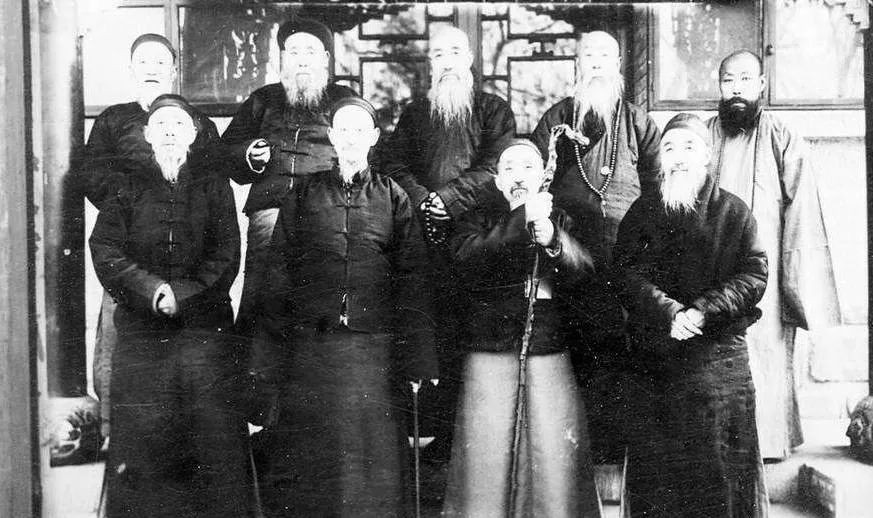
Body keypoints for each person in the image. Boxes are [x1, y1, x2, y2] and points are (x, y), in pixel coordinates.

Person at [252, 97, 438, 517]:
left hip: (375, 351)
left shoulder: (393, 196)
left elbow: (412, 281)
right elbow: (280, 272)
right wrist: (268, 356)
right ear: (332, 138)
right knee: (313, 457)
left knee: (372, 460)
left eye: (359, 130)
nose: (351, 138)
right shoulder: (304, 193)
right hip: (313, 349)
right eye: (343, 130)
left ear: (373, 138)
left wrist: (418, 360)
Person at [89, 94, 249, 517]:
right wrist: (152, 290)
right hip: (142, 332)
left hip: (204, 330)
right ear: (147, 135)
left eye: (179, 125)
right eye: (161, 125)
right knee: (144, 439)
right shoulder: (125, 186)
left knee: (212, 438)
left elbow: (226, 254)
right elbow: (106, 249)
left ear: (194, 134)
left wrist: (185, 295)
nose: (170, 133)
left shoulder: (214, 186)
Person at [614, 113, 769, 517]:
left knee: (719, 475)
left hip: (719, 359)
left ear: (706, 156)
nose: (679, 157)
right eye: (669, 148)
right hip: (657, 359)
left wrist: (702, 312)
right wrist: (669, 312)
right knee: (658, 479)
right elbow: (626, 273)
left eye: (689, 147)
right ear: (660, 160)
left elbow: (754, 275)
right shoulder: (642, 212)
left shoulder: (734, 212)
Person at [442, 139, 601, 517]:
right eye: (509, 169)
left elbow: (588, 273)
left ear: (543, 176)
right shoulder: (476, 217)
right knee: (487, 447)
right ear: (498, 181)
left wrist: (555, 241)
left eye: (528, 167)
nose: (518, 176)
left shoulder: (561, 217)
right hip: (490, 348)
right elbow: (466, 261)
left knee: (550, 447)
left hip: (548, 347)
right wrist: (520, 220)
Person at [382, 25, 516, 461]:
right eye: (438, 54)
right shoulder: (415, 113)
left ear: (470, 59)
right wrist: (425, 201)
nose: (447, 61)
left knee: (471, 336)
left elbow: (497, 166)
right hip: (423, 237)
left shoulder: (494, 110)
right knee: (429, 334)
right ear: (431, 64)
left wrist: (449, 200)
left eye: (455, 52)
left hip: (478, 236)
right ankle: (434, 441)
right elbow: (393, 163)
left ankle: (470, 443)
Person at [79, 33, 220, 438]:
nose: (152, 69)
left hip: (187, 251)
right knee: (118, 336)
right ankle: (116, 433)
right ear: (131, 70)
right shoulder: (113, 120)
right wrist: (131, 204)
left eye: (161, 62)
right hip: (130, 244)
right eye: (143, 62)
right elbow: (91, 173)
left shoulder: (198, 124)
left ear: (174, 70)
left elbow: (212, 183)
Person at [530, 30, 661, 463]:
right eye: (590, 55)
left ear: (618, 64)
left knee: (626, 351)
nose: (598, 62)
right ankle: (578, 454)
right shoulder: (558, 118)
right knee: (578, 349)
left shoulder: (637, 120)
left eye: (606, 55)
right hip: (570, 253)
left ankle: (620, 453)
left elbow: (657, 189)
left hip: (628, 255)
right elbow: (537, 178)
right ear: (578, 64)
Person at [707, 50, 840, 459]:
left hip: (766, 267)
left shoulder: (782, 135)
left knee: (766, 352)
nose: (737, 89)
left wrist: (792, 278)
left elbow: (803, 211)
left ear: (762, 84)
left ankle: (768, 445)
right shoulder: (704, 133)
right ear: (719, 86)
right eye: (729, 81)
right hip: (713, 265)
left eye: (746, 80)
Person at [217, 16, 357, 337]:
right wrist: (248, 153)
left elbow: (367, 155)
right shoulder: (263, 99)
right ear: (283, 59)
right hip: (271, 211)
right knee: (262, 300)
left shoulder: (344, 99)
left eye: (310, 51)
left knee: (319, 301)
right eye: (293, 52)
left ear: (325, 59)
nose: (301, 60)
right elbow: (224, 152)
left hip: (328, 211)